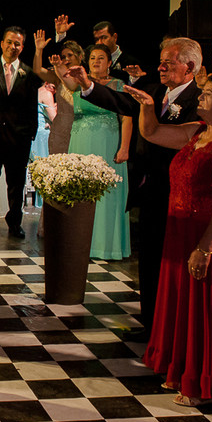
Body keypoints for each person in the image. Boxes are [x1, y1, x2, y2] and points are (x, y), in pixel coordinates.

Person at [120, 70, 212, 409]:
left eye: (207, 93)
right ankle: (185, 370)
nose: (199, 97)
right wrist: (147, 105)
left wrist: (204, 248)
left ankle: (208, 382)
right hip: (184, 230)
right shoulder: (199, 132)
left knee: (209, 310)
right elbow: (151, 132)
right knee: (188, 306)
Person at [72, 37, 203, 342]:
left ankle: (175, 327)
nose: (160, 67)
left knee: (173, 262)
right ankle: (151, 323)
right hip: (152, 188)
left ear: (190, 66)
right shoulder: (156, 90)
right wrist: (88, 85)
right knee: (151, 258)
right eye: (161, 61)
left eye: (168, 62)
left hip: (181, 192)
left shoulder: (199, 100)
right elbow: (123, 103)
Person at [65, 44, 132, 260]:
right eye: (92, 57)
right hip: (81, 142)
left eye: (101, 58)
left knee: (107, 192)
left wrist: (124, 147)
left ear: (110, 62)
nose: (96, 61)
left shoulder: (118, 84)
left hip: (107, 142)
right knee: (80, 190)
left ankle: (105, 245)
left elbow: (127, 116)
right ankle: (80, 242)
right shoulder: (78, 82)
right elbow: (51, 73)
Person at [0, 26, 43, 238]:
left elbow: (32, 105)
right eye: (9, 42)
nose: (12, 47)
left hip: (19, 137)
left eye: (17, 43)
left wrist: (30, 133)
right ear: (2, 43)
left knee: (17, 183)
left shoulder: (29, 72)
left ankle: (15, 222)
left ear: (22, 47)